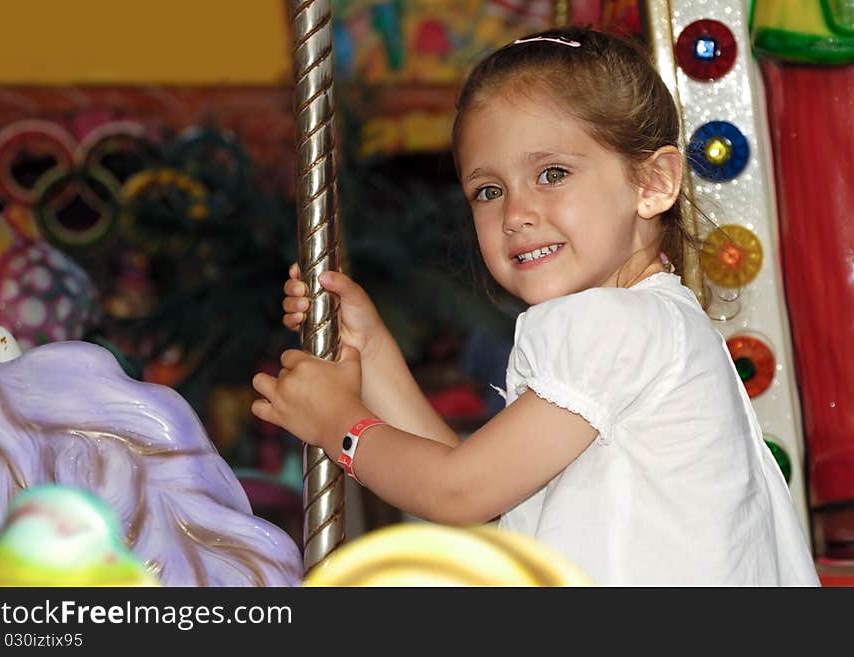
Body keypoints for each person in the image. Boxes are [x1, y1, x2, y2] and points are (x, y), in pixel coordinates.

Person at [252, 26, 819, 586]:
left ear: (653, 182)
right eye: (489, 191)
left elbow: (459, 489)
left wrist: (339, 428)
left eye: (552, 174)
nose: (515, 213)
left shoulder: (613, 325)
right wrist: (370, 349)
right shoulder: (654, 323)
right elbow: (481, 488)